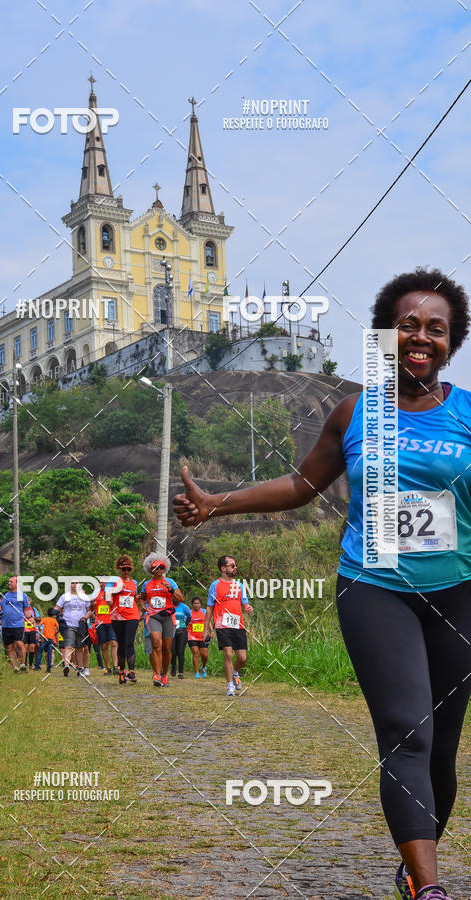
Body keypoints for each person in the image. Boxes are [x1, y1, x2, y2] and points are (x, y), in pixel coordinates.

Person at [174, 267, 471, 900]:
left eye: (436, 329)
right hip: (374, 587)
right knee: (407, 731)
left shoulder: (468, 413)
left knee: (442, 747)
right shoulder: (354, 411)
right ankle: (429, 889)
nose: (421, 337)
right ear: (387, 334)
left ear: (452, 342)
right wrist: (215, 504)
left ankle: (414, 866)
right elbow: (300, 485)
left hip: (458, 592)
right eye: (408, 325)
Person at [204, 557, 253, 696]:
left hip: (238, 624)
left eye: (235, 565)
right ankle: (230, 686)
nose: (235, 567)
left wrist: (249, 608)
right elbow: (209, 608)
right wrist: (206, 628)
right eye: (232, 565)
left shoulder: (239, 585)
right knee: (228, 654)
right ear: (223, 568)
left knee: (242, 658)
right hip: (222, 624)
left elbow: (245, 604)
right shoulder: (215, 585)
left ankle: (235, 672)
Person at [139, 552, 183, 687]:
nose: (159, 570)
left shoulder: (170, 582)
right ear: (151, 569)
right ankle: (157, 674)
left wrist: (171, 590)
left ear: (165, 569)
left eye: (161, 567)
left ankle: (164, 674)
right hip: (153, 616)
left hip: (168, 616)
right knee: (156, 643)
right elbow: (141, 598)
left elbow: (180, 598)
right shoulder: (147, 584)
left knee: (167, 648)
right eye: (156, 568)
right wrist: (143, 607)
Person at [110, 555, 140, 684]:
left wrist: (140, 601)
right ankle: (122, 671)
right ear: (119, 569)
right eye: (123, 569)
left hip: (132, 615)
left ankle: (131, 671)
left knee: (129, 642)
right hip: (117, 616)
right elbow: (108, 598)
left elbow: (134, 597)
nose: (126, 571)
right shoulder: (114, 581)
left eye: (128, 569)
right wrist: (111, 596)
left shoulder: (134, 583)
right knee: (121, 644)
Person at [0, 576, 33, 672]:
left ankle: (23, 664)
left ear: (17, 584)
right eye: (9, 582)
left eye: (11, 582)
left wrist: (30, 617)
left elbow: (26, 610)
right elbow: (1, 608)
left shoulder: (23, 596)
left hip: (18, 624)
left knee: (19, 643)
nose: (9, 583)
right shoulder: (6, 595)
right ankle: (15, 667)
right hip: (6, 625)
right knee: (10, 647)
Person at [53, 581, 91, 677]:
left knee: (80, 647)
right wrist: (59, 614)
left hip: (80, 625)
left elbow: (90, 610)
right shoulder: (64, 596)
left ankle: (80, 668)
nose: (74, 584)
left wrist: (85, 617)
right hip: (68, 624)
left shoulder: (84, 597)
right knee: (68, 646)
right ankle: (66, 666)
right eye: (72, 583)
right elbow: (56, 608)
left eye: (76, 583)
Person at [93, 577, 119, 676]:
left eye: (104, 582)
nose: (102, 584)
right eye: (101, 583)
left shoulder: (113, 593)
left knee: (114, 643)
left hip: (111, 621)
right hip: (100, 622)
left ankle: (115, 666)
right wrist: (93, 604)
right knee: (104, 646)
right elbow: (92, 606)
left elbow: (115, 604)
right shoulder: (96, 593)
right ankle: (108, 668)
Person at [187, 597, 208, 678]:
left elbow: (207, 622)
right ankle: (196, 672)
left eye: (198, 603)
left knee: (204, 655)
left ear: (200, 604)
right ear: (192, 604)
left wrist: (211, 631)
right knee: (195, 653)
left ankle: (203, 667)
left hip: (203, 635)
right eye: (195, 603)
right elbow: (186, 622)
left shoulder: (204, 611)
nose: (196, 605)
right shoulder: (189, 612)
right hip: (191, 636)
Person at [170, 596, 191, 678]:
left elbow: (189, 616)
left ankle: (181, 672)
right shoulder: (169, 605)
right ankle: (173, 667)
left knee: (181, 651)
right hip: (171, 630)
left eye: (177, 598)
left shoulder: (184, 607)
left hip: (182, 630)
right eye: (174, 598)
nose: (175, 599)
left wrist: (185, 624)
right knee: (173, 651)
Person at [35, 607, 59, 672]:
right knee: (49, 653)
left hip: (44, 638)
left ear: (47, 613)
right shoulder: (54, 620)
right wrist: (55, 633)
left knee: (40, 652)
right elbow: (58, 628)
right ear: (53, 614)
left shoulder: (45, 619)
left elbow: (39, 626)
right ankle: (48, 668)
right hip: (51, 638)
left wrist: (40, 632)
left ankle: (36, 666)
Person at [23, 601, 41, 670]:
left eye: (29, 601)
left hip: (32, 631)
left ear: (30, 602)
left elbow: (38, 619)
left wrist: (33, 618)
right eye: (26, 601)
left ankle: (30, 664)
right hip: (24, 631)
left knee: (32, 647)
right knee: (25, 648)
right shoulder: (21, 609)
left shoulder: (33, 609)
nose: (27, 603)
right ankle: (24, 663)